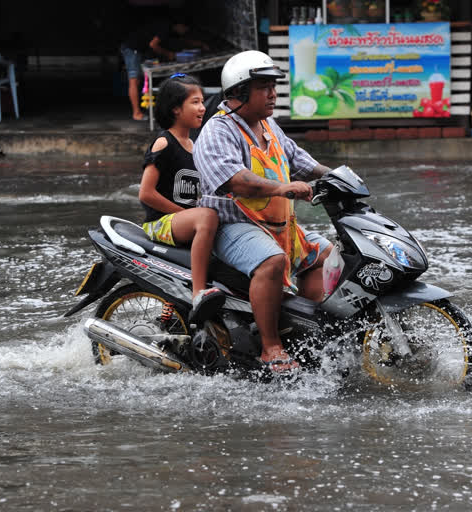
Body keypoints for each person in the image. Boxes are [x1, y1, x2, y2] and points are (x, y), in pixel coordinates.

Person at [193, 50, 333, 375]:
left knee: (327, 256)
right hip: (232, 225)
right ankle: (271, 348)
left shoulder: (268, 126)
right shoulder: (218, 131)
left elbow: (301, 161)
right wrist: (281, 188)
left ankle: (301, 333)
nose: (273, 94)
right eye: (264, 87)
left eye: (274, 86)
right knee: (272, 261)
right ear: (239, 92)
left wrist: (338, 177)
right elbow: (236, 180)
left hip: (278, 224)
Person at [139, 73, 225, 323]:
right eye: (195, 102)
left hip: (188, 223)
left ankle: (172, 317)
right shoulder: (164, 143)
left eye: (202, 102)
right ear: (176, 109)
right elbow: (146, 193)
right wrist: (181, 213)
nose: (202, 108)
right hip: (161, 224)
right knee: (208, 217)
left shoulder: (196, 146)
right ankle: (198, 292)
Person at [120, 16, 209, 121]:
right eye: (185, 29)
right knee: (134, 80)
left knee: (140, 81)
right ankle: (136, 113)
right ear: (180, 25)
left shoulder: (171, 31)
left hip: (139, 50)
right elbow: (153, 44)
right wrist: (168, 54)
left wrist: (201, 44)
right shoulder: (165, 28)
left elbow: (185, 41)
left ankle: (141, 110)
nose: (185, 31)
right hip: (132, 49)